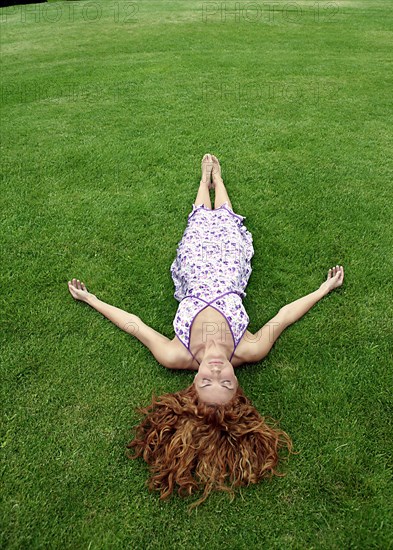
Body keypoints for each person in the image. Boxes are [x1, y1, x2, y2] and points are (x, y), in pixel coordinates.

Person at [68, 154, 344, 509]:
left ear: (191, 386)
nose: (215, 371)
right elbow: (284, 316)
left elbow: (134, 324)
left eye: (205, 382)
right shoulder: (249, 349)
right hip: (229, 268)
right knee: (226, 224)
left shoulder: (175, 354)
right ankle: (219, 180)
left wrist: (91, 298)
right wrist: (323, 290)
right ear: (238, 386)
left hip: (195, 270)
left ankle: (204, 181)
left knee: (199, 225)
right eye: (226, 382)